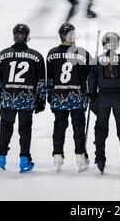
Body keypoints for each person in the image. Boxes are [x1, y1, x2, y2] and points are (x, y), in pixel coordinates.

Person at [0, 24, 46, 173]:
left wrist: (0, 97)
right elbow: (41, 83)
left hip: (8, 99)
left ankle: (1, 157)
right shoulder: (37, 56)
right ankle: (25, 159)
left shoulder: (3, 55)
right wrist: (41, 101)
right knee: (25, 129)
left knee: (6, 127)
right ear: (28, 37)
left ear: (14, 35)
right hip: (27, 100)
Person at [88, 32, 120, 174]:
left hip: (102, 98)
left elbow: (91, 82)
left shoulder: (96, 61)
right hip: (119, 98)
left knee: (101, 129)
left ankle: (100, 158)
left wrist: (92, 98)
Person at [46, 23, 92, 172]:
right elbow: (90, 76)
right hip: (77, 97)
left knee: (59, 126)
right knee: (78, 127)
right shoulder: (82, 53)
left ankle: (57, 155)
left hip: (58, 97)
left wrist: (49, 96)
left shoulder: (52, 53)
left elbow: (50, 78)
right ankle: (80, 155)